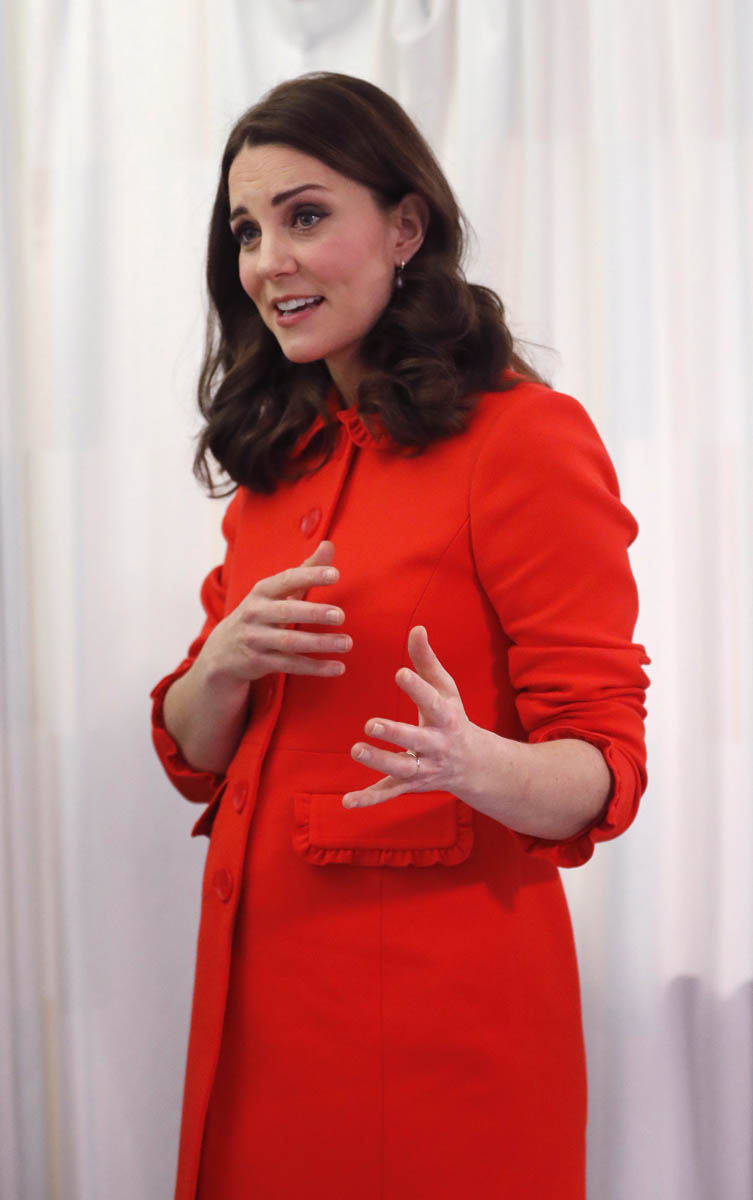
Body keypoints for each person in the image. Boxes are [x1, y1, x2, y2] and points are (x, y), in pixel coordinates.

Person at [150, 72, 649, 1200]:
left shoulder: (523, 441)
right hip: (259, 1016)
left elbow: (603, 765)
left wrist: (476, 764)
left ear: (406, 228)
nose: (268, 261)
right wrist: (218, 666)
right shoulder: (279, 464)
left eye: (305, 216)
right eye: (247, 230)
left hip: (437, 1038)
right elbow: (194, 753)